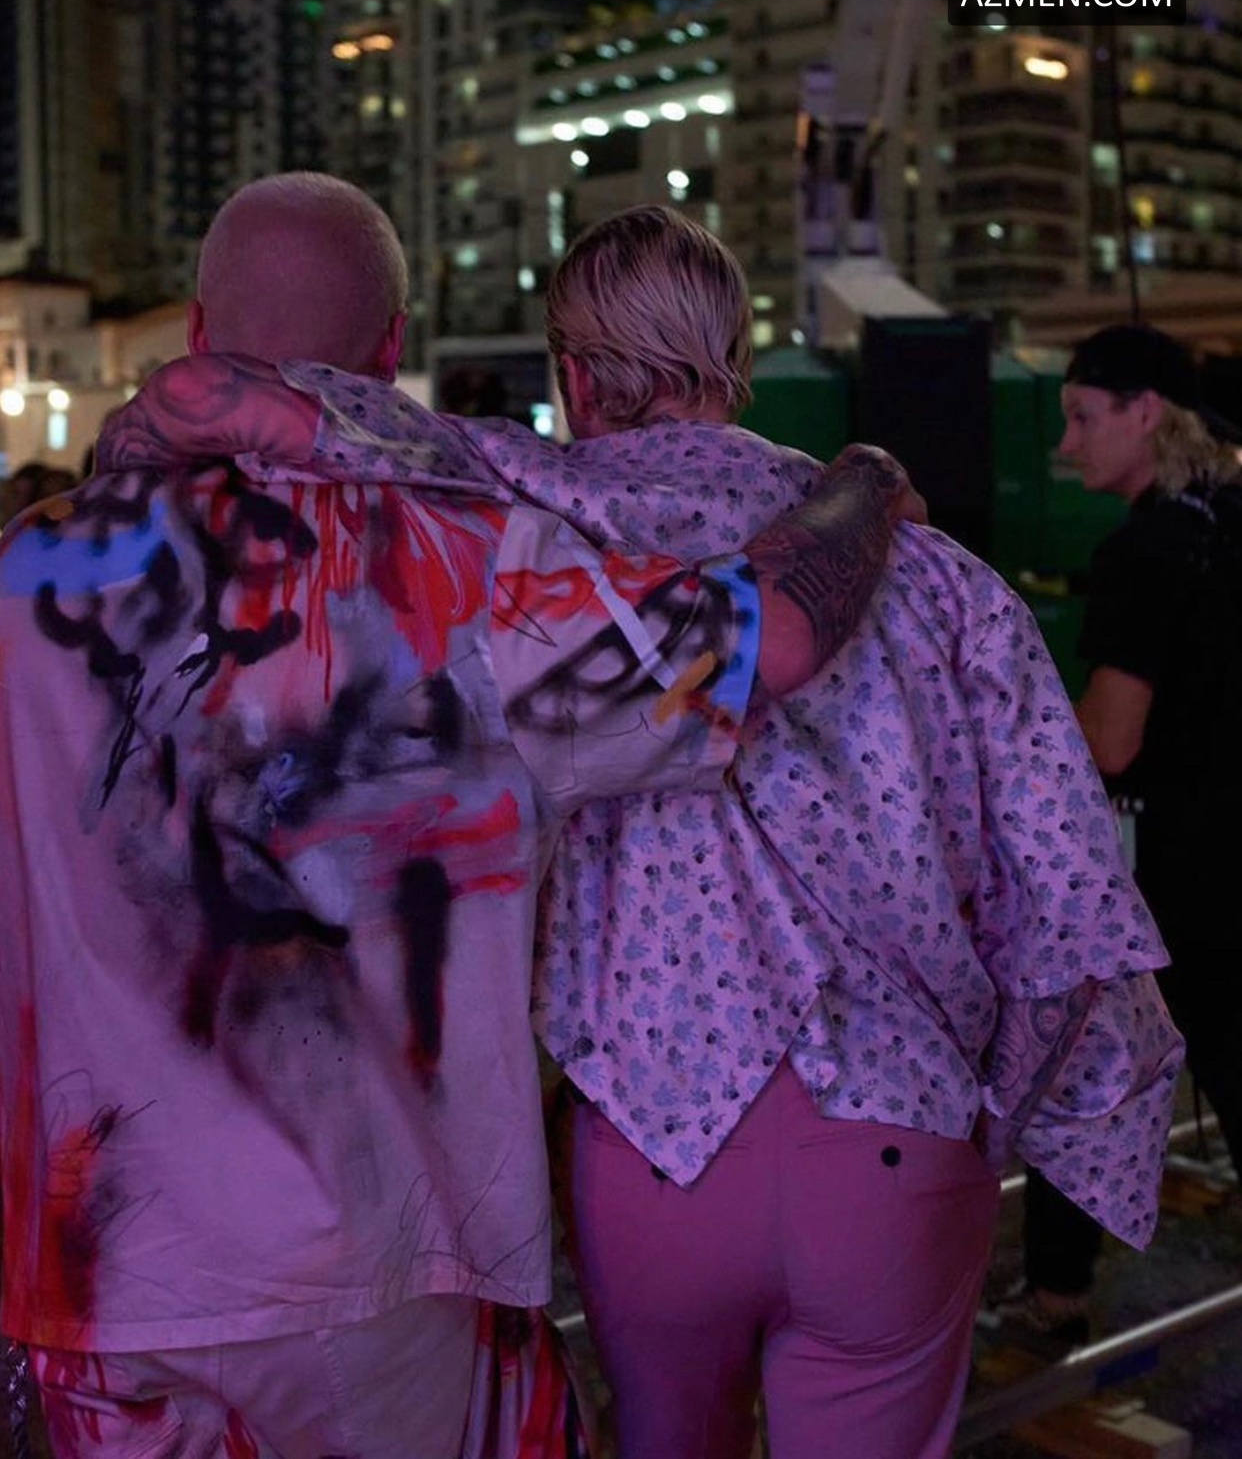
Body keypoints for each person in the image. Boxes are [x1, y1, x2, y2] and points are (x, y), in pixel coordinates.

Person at [124, 205, 1185, 1459]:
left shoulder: (523, 528)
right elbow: (1071, 913)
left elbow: (306, 419)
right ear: (734, 356)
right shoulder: (944, 579)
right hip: (902, 1149)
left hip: (651, 1147)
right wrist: (992, 1117)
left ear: (574, 376)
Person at [0, 177, 918, 1457]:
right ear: (389, 352)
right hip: (378, 1269)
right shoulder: (473, 565)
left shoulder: (26, 572)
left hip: (95, 1273)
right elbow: (770, 637)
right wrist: (868, 480)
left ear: (199, 332)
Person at [1007, 325, 1242, 1344]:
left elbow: (1109, 740)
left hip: (1174, 871)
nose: (1067, 445)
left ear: (1147, 413)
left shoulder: (1144, 551)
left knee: (1084, 1068)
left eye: (1082, 417)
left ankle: (1055, 1293)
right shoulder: (1230, 520)